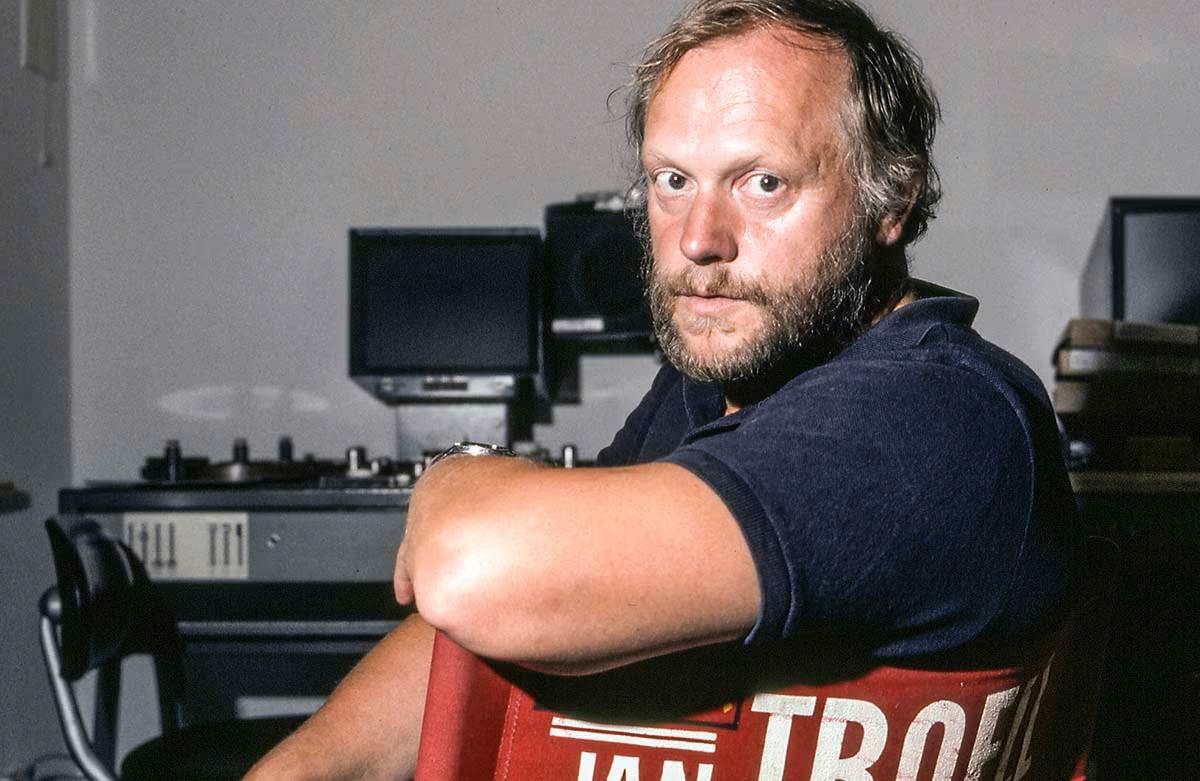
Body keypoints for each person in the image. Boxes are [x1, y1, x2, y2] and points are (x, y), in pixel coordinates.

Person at [248, 0, 1076, 777]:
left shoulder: (934, 419)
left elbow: (479, 570)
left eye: (763, 182)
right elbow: (484, 624)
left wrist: (454, 474)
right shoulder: (716, 384)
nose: (699, 240)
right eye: (673, 180)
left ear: (888, 199)